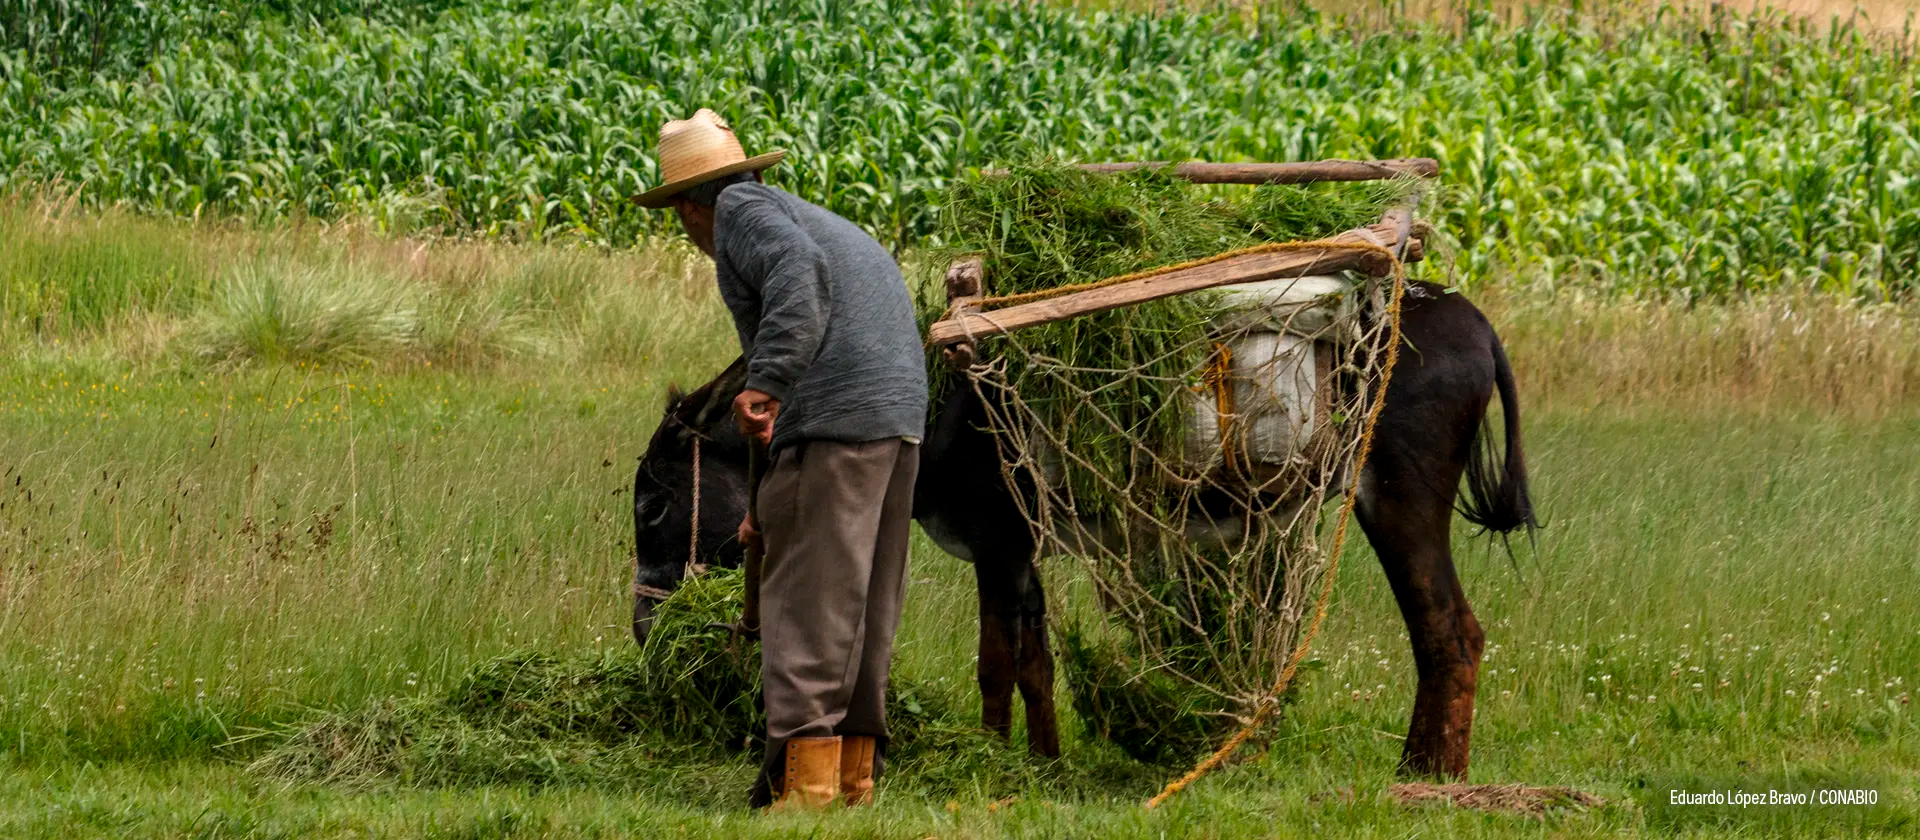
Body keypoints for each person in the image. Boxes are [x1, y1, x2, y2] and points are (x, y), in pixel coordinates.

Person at [633, 109, 928, 810]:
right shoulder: (798, 211)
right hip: (895, 418)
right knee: (864, 600)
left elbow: (800, 278)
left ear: (686, 209)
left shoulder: (738, 210)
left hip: (841, 418)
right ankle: (853, 778)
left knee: (808, 601)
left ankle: (803, 791)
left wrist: (766, 381)